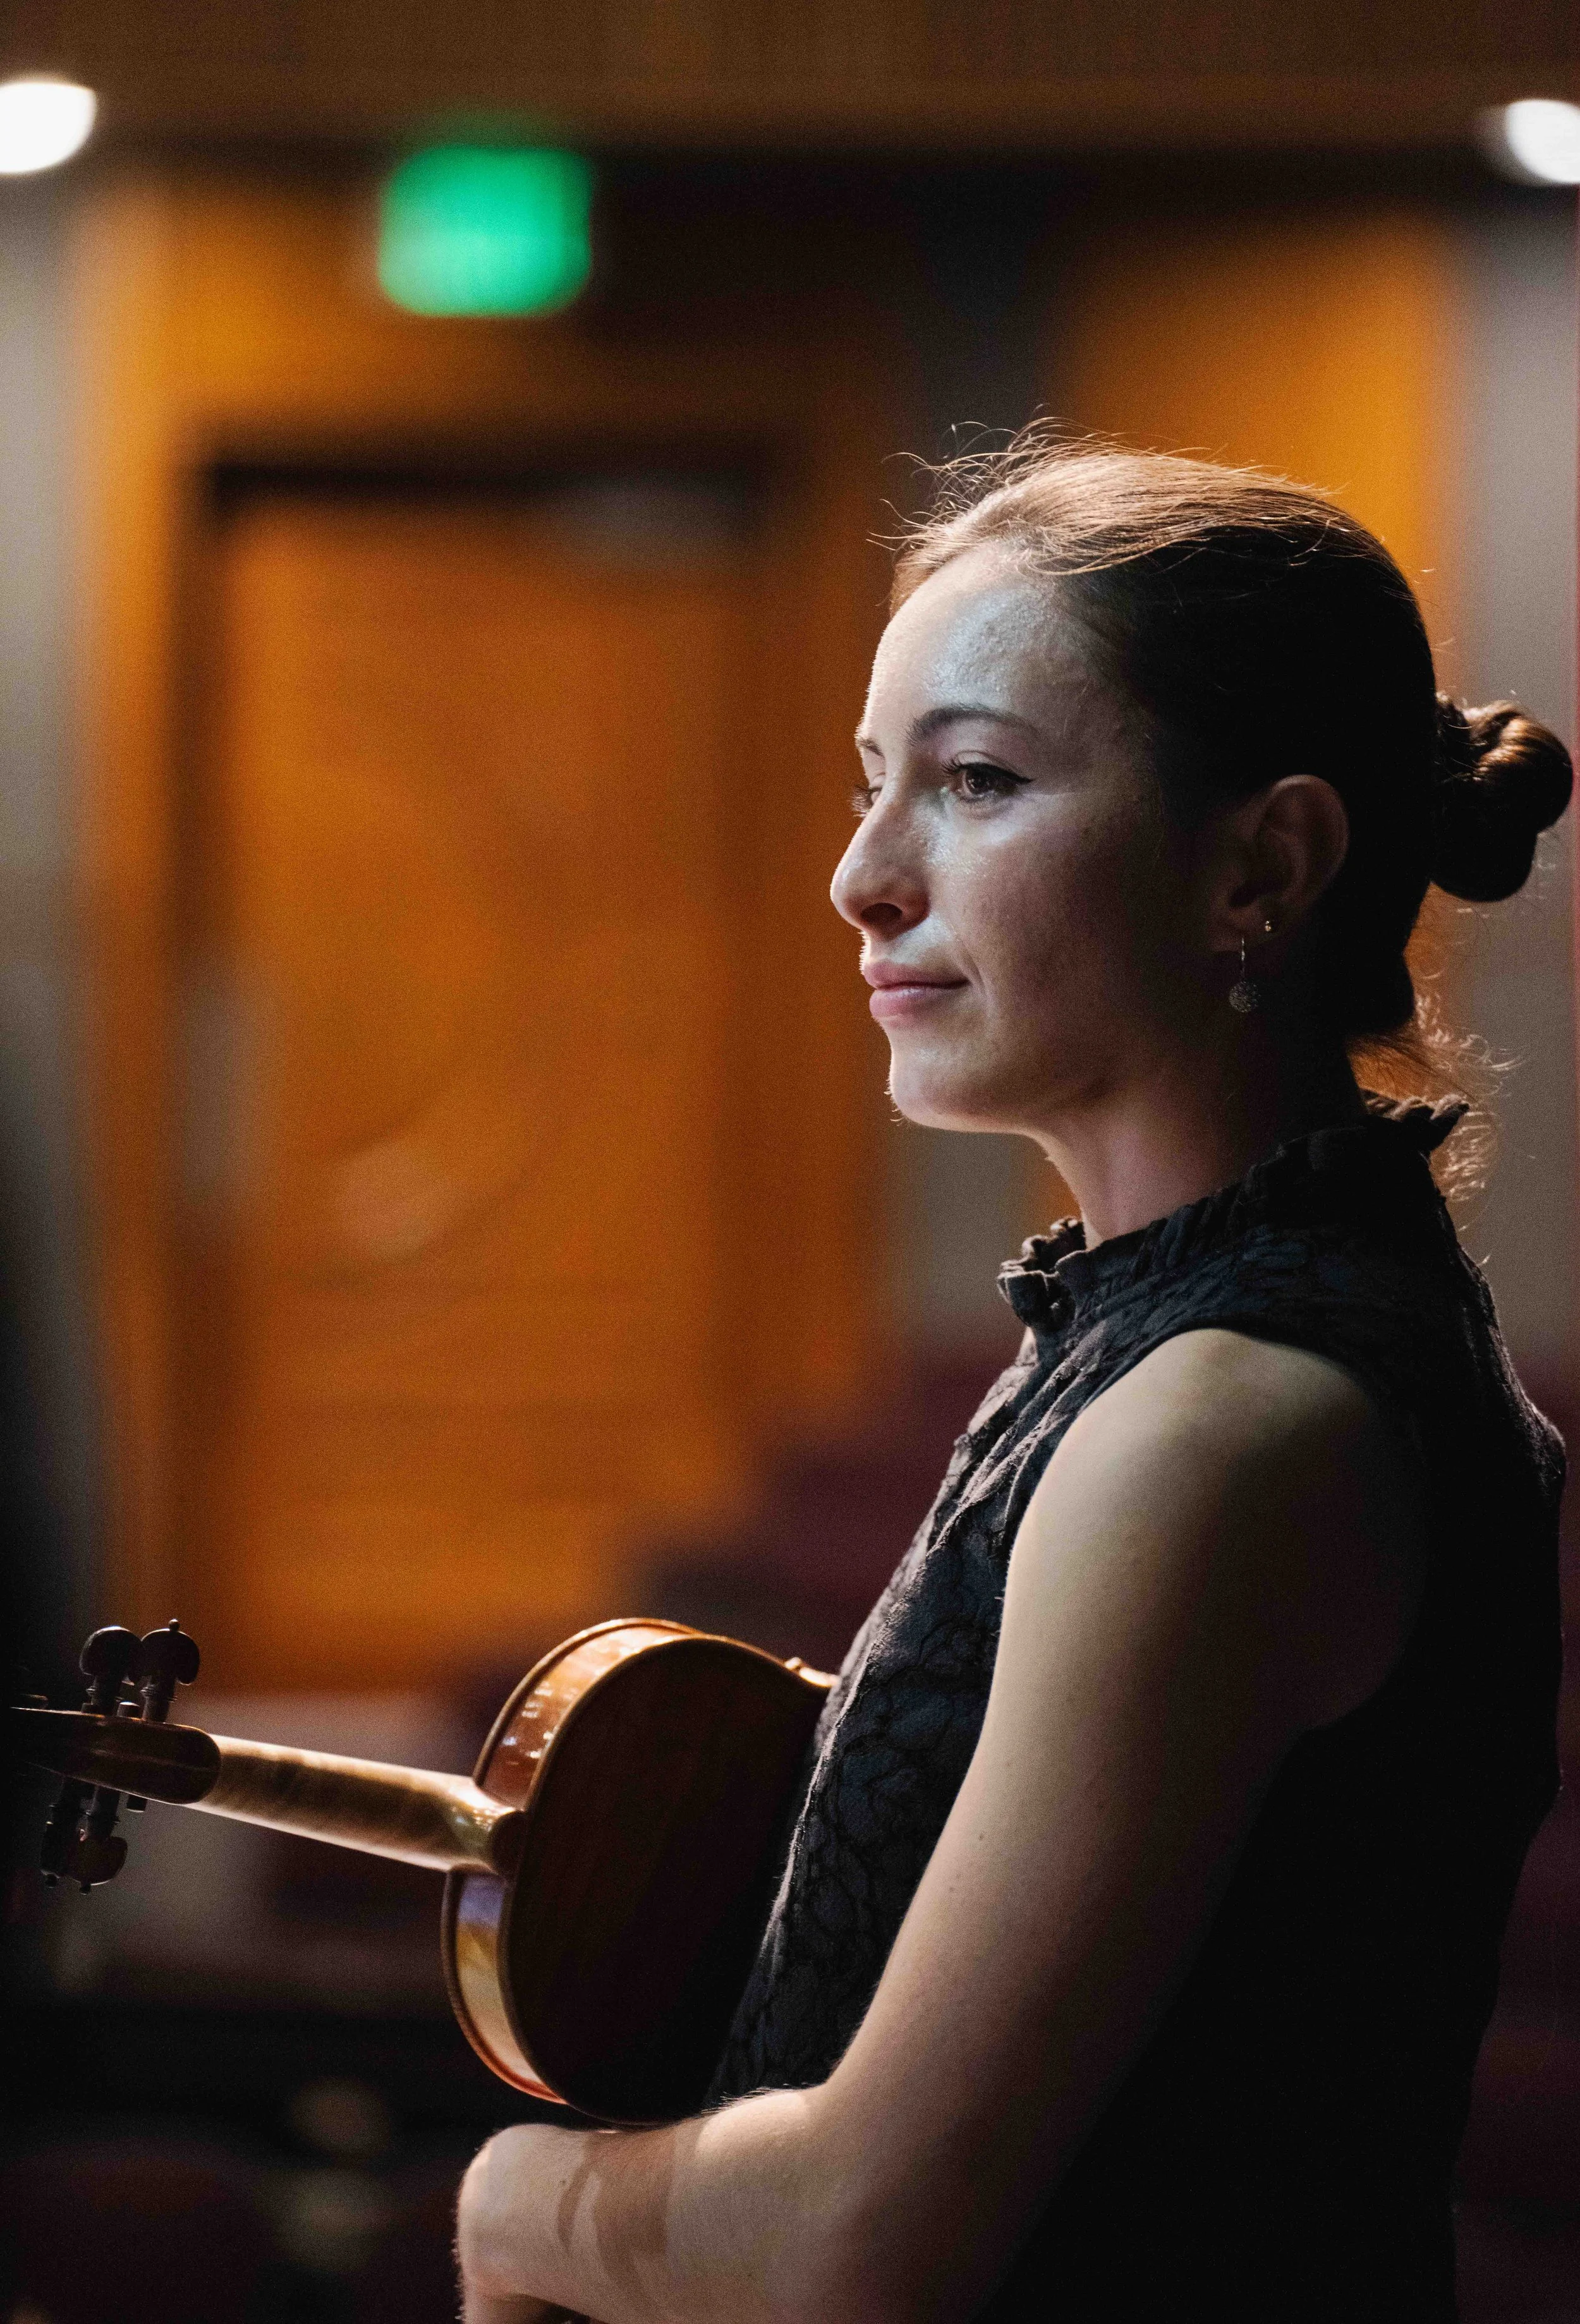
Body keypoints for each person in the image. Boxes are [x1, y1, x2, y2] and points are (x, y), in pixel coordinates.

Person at [456, 440, 1572, 2322]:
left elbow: (854, 2244)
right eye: (873, 783)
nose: (860, 877)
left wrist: (512, 2203)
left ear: (1261, 864)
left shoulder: (1226, 1421)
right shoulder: (1159, 1337)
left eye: (973, 781)